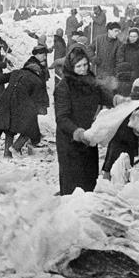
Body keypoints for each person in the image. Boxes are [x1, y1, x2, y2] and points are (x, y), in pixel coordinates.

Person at [55, 44, 126, 195]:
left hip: (89, 137)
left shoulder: (90, 80)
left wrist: (115, 100)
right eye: (78, 66)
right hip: (71, 141)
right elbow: (62, 118)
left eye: (85, 65)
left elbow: (102, 93)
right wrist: (78, 133)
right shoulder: (64, 86)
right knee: (73, 184)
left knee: (89, 180)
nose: (83, 69)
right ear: (71, 66)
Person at [0, 47, 49, 157]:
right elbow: (39, 97)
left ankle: (7, 154)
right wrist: (40, 108)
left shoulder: (16, 72)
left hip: (6, 101)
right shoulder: (37, 80)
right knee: (31, 128)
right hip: (21, 103)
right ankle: (16, 147)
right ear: (37, 71)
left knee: (9, 128)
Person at [102, 77, 139, 177]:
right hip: (127, 138)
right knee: (123, 166)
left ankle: (106, 180)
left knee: (111, 162)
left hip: (118, 133)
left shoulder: (132, 97)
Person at [115, 28, 139, 97]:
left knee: (136, 94)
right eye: (131, 36)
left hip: (137, 73)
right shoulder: (124, 46)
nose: (132, 38)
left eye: (134, 36)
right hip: (126, 74)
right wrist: (122, 68)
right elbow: (119, 58)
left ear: (138, 37)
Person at [88, 21, 121, 87]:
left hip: (111, 74)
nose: (117, 33)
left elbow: (119, 60)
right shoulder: (99, 39)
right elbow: (89, 49)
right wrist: (93, 58)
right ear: (109, 31)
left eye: (118, 31)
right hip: (98, 71)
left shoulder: (119, 43)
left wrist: (117, 73)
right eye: (116, 31)